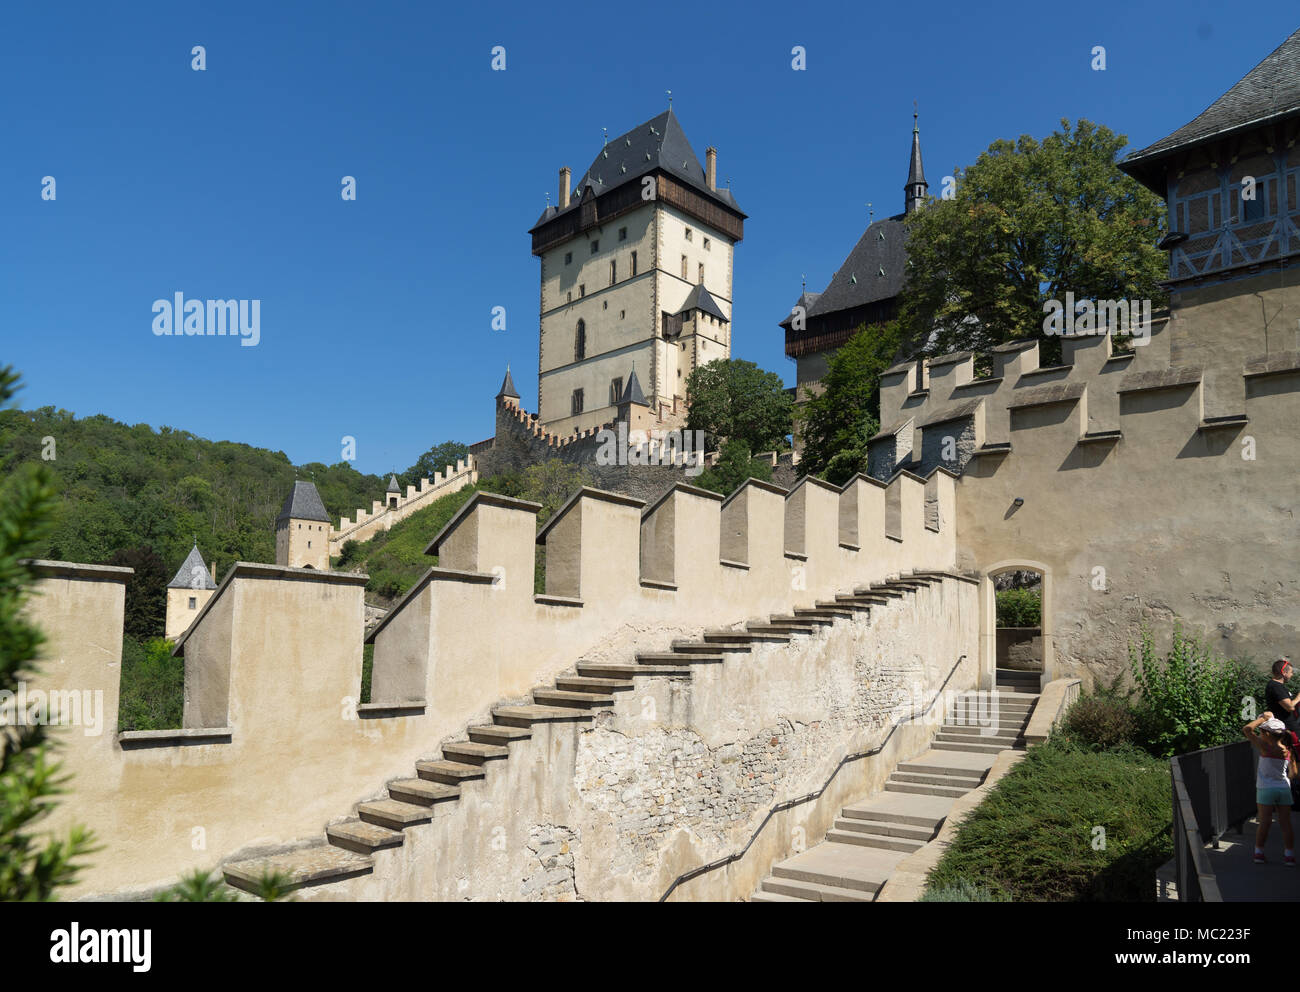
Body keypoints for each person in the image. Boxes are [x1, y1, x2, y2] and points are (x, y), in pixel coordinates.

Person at [1245, 712, 1297, 864]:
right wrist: (1285, 779)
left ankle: (1259, 852)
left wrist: (1263, 718)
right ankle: (1289, 855)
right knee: (1286, 823)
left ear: (1267, 733)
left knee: (1265, 822)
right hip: (1283, 788)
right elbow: (1294, 773)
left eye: (1261, 732)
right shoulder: (1287, 750)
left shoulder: (1265, 747)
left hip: (1266, 788)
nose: (1260, 735)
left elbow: (1247, 729)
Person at [1264, 658, 1300, 735]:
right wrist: (1298, 697)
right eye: (1291, 672)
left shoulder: (1278, 686)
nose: (1292, 675)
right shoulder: (1276, 687)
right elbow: (1290, 707)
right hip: (1287, 729)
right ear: (1284, 672)